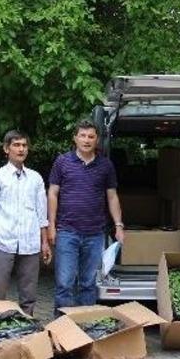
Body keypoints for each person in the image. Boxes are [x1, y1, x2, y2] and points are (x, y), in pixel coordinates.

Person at [47, 119, 124, 313]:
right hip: (67, 232)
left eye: (91, 136)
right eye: (82, 135)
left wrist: (119, 225)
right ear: (75, 138)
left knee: (88, 284)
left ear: (97, 140)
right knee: (64, 283)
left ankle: (85, 328)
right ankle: (62, 331)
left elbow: (112, 197)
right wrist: (51, 226)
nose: (86, 140)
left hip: (95, 234)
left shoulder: (105, 165)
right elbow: (52, 194)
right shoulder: (62, 162)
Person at [0, 130, 51, 318]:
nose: (21, 149)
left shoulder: (35, 178)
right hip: (3, 241)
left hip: (30, 243)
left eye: (24, 145)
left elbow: (41, 213)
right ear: (6, 149)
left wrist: (44, 242)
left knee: (29, 295)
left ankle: (26, 333)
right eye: (16, 145)